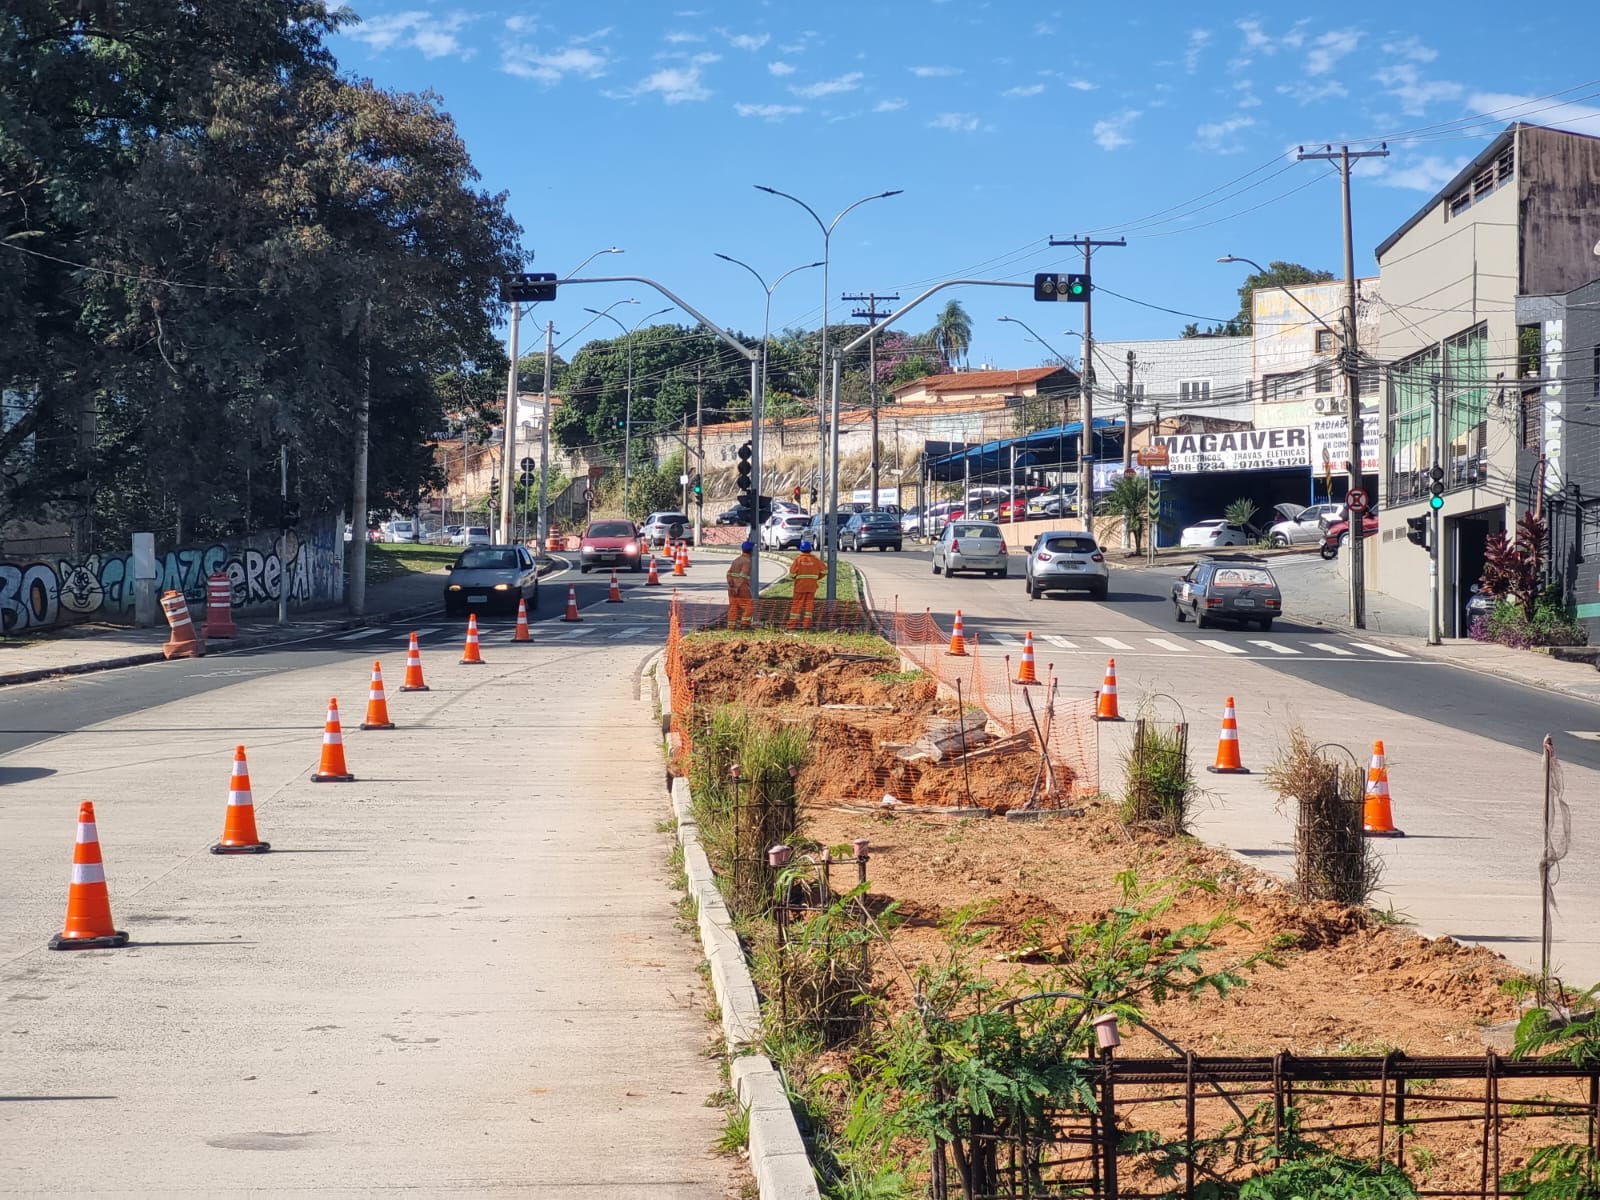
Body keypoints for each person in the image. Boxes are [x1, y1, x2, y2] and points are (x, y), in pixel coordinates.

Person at [786, 539, 827, 631]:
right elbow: (824, 571)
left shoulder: (798, 560)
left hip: (800, 587)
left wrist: (797, 577)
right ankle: (806, 626)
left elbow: (792, 574)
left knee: (797, 606)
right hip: (811, 587)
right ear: (810, 549)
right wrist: (816, 577)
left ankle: (792, 626)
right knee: (809, 607)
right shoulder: (815, 560)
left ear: (801, 549)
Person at [726, 540, 754, 629]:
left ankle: (731, 626)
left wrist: (731, 585)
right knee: (748, 605)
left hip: (732, 588)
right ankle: (745, 624)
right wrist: (737, 587)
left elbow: (728, 573)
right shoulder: (747, 561)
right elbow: (743, 575)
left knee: (733, 606)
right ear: (751, 551)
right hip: (742, 588)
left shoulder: (736, 560)